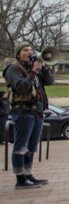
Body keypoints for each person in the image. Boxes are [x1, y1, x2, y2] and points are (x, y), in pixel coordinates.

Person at [3, 42, 54, 188]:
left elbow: (50, 82)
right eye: (25, 50)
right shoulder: (13, 69)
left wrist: (44, 69)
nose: (30, 52)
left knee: (31, 146)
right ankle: (20, 179)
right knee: (21, 146)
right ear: (18, 54)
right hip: (23, 111)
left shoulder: (34, 69)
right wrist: (32, 72)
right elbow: (21, 87)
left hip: (37, 111)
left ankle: (28, 173)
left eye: (31, 50)